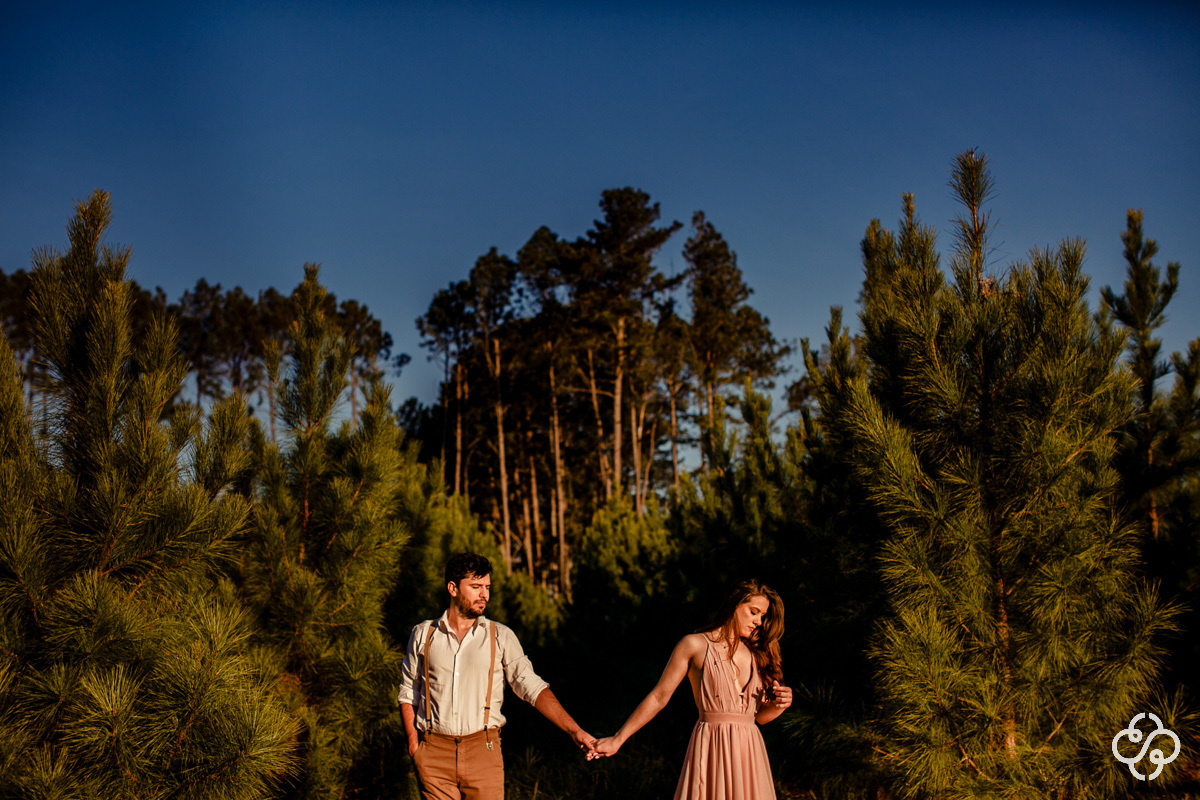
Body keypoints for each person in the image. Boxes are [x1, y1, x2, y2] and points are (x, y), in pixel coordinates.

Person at [398, 552, 595, 800]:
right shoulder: (423, 634)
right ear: (453, 588)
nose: (485, 595)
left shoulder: (500, 636)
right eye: (476, 587)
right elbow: (408, 691)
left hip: (483, 751)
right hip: (433, 754)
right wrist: (414, 745)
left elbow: (532, 688)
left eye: (487, 587)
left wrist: (574, 730)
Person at [589, 580, 792, 799]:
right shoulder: (694, 645)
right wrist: (618, 739)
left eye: (762, 616)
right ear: (735, 604)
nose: (758, 622)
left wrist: (779, 706)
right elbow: (659, 697)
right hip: (712, 747)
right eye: (754, 612)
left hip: (749, 752)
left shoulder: (758, 655)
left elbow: (758, 718)